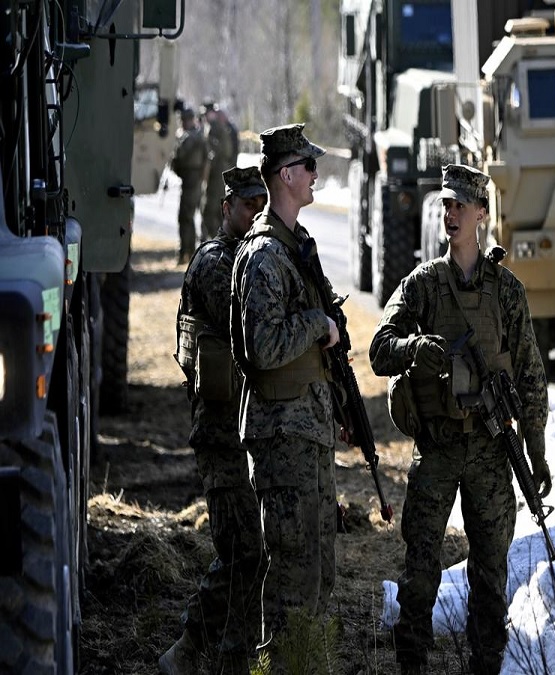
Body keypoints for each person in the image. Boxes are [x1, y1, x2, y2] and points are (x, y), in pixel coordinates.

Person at [369, 164, 550, 675]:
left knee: (491, 570)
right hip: (439, 446)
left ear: (482, 215)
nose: (450, 214)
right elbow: (379, 349)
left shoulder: (507, 292)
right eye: (445, 205)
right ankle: (412, 663)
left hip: (493, 451)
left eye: (459, 206)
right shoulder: (424, 284)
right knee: (421, 566)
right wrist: (414, 348)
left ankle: (486, 664)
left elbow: (532, 378)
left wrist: (535, 453)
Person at [229, 124, 339, 648]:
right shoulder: (265, 255)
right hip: (281, 431)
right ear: (288, 175)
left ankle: (305, 661)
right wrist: (317, 324)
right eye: (309, 167)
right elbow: (262, 347)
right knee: (293, 575)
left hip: (309, 428)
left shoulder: (297, 247)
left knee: (319, 568)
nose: (317, 175)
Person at [161, 167, 269, 675]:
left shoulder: (253, 258)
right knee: (241, 549)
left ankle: (229, 653)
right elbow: (250, 320)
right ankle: (191, 648)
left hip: (246, 430)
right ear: (227, 207)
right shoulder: (215, 263)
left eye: (260, 204)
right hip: (221, 433)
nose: (254, 214)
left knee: (252, 551)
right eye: (247, 205)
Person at [171, 107, 208, 264]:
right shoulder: (197, 136)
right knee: (188, 216)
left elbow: (179, 156)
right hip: (192, 179)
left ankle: (186, 252)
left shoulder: (191, 137)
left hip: (191, 179)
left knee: (185, 216)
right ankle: (188, 251)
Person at [202, 102, 241, 242]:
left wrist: (213, 123)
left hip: (222, 172)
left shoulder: (226, 130)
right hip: (220, 172)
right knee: (216, 210)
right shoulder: (221, 129)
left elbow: (228, 151)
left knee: (214, 210)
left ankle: (218, 241)